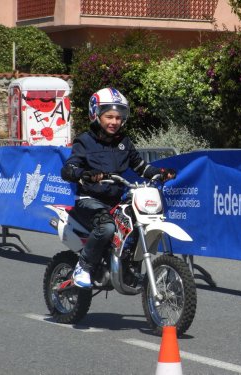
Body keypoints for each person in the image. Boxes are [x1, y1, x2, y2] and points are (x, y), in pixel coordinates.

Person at [61, 87, 176, 288]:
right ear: (96, 114)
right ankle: (84, 266)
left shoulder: (124, 142)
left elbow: (140, 166)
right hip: (90, 200)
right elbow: (69, 168)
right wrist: (85, 175)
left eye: (119, 117)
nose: (114, 122)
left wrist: (159, 173)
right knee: (106, 227)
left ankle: (129, 268)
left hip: (116, 201)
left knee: (137, 223)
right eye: (109, 116)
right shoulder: (85, 141)